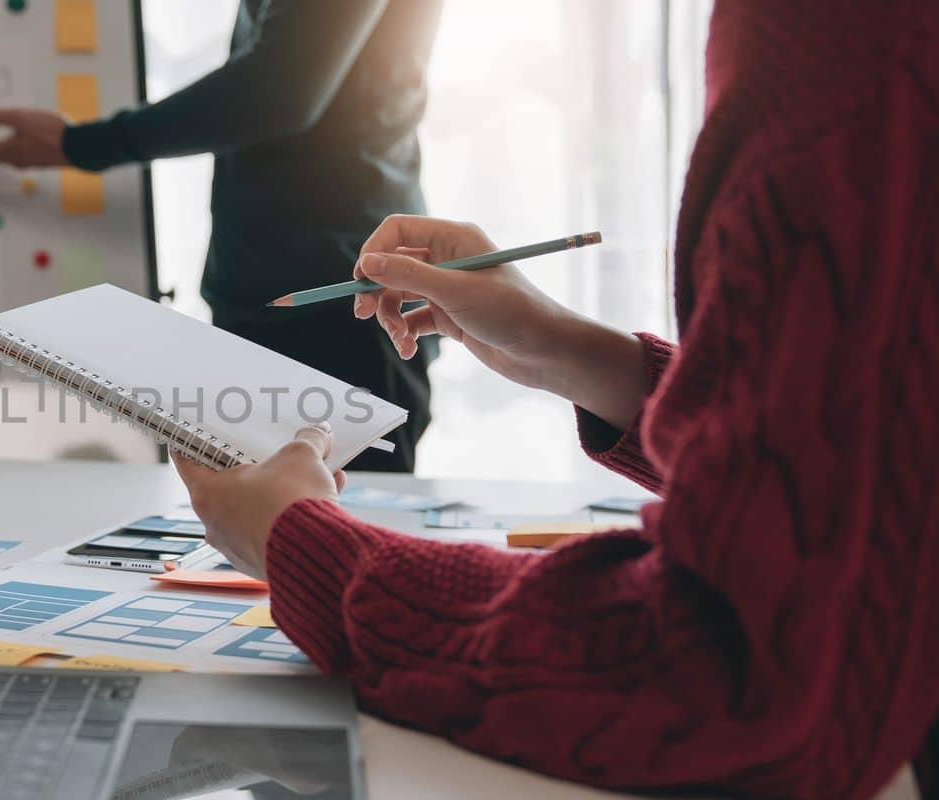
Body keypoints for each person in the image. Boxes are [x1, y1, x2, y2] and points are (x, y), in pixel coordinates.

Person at [171, 1, 939, 797]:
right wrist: (584, 356)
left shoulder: (846, 40)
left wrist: (302, 548)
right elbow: (858, 450)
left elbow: (726, 670)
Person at [0, 0, 444, 472]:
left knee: (345, 537)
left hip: (341, 297)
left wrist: (85, 144)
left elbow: (280, 90)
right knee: (255, 536)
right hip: (280, 290)